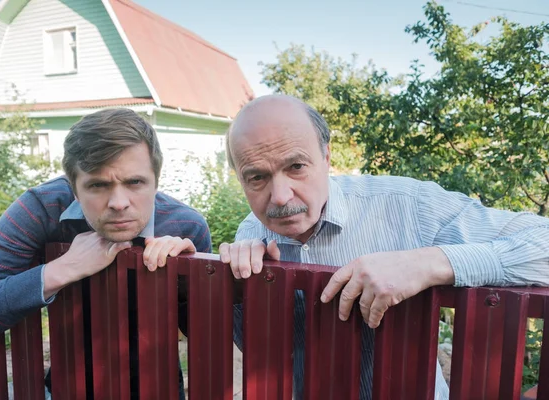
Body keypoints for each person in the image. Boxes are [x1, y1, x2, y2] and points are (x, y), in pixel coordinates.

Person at [218, 94, 549, 399]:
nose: (280, 196)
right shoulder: (252, 231)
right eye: (257, 177)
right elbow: (266, 355)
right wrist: (238, 292)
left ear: (327, 156)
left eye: (296, 167)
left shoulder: (408, 207)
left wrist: (427, 264)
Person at [0, 108, 210, 399]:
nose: (119, 202)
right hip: (63, 389)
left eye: (135, 182)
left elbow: (208, 337)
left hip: (159, 390)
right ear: (73, 187)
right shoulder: (43, 208)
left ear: (156, 180)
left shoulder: (186, 225)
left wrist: (193, 275)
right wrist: (61, 270)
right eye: (98, 185)